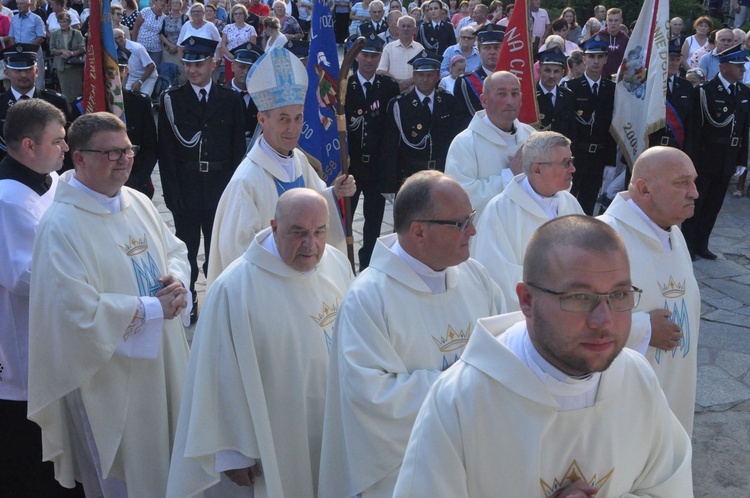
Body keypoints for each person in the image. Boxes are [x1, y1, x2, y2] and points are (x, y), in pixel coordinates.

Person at [392, 215, 693, 498]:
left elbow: (669, 487)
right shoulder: (461, 400)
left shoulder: (637, 378)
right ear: (527, 301)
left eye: (619, 295)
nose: (603, 320)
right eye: (579, 298)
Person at [27, 111, 191, 497]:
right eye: (111, 153)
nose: (124, 159)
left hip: (163, 358)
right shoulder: (61, 225)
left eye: (127, 150)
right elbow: (74, 312)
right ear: (79, 159)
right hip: (107, 378)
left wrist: (179, 280)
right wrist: (153, 309)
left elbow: (175, 250)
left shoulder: (137, 201)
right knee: (126, 476)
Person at [319, 170, 506, 498]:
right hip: (406, 475)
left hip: (474, 463)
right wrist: (467, 385)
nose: (473, 231)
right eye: (460, 223)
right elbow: (370, 399)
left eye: (471, 218)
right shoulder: (369, 298)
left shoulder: (476, 277)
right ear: (419, 232)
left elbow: (504, 353)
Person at [167, 189, 354, 498]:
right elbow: (216, 375)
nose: (312, 245)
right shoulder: (235, 288)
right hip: (277, 433)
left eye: (320, 232)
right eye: (298, 233)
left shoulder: (335, 263)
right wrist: (231, 452)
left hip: (331, 422)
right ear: (274, 226)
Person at [206, 45, 355, 287]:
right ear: (262, 119)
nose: (292, 128)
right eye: (283, 118)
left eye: (298, 118)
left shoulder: (299, 160)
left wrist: (335, 193)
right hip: (269, 287)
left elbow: (317, 207)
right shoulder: (247, 181)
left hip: (305, 281)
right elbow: (237, 252)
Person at [0, 99, 85, 498]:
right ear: (30, 146)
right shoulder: (7, 199)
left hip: (57, 333)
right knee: (28, 453)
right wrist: (89, 271)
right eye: (58, 141)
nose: (66, 149)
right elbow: (25, 276)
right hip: (23, 343)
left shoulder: (51, 181)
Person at [599, 146, 700, 438]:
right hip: (626, 404)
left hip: (674, 385)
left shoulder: (672, 231)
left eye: (693, 182)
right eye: (682, 183)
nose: (694, 192)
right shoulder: (604, 241)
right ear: (644, 189)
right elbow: (572, 319)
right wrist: (641, 329)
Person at [158, 36, 245, 321]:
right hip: (187, 185)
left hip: (220, 185)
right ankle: (189, 298)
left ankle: (219, 300)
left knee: (219, 249)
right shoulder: (172, 99)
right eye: (187, 63)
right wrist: (171, 195)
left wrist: (234, 191)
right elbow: (167, 152)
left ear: (214, 64)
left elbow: (237, 151)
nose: (192, 69)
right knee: (186, 249)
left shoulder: (230, 100)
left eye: (199, 63)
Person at [473, 131, 583, 311]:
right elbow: (497, 278)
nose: (572, 169)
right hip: (529, 317)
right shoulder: (501, 211)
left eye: (571, 160)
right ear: (538, 169)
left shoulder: (570, 203)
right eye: (566, 163)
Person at [683, 44, 750, 261]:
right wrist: (691, 159)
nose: (743, 70)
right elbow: (694, 130)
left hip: (728, 157)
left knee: (714, 204)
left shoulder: (744, 92)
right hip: (705, 156)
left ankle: (702, 243)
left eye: (743, 66)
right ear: (724, 67)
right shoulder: (705, 92)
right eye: (738, 65)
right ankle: (688, 244)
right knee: (698, 202)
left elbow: (743, 129)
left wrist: (742, 159)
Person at [445, 71, 534, 220]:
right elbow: (459, 198)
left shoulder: (531, 136)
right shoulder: (465, 143)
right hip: (485, 235)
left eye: (515, 93)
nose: (510, 101)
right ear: (484, 100)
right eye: (501, 94)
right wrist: (509, 177)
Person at [345, 33, 400, 270]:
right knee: (345, 217)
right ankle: (344, 263)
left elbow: (390, 130)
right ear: (356, 56)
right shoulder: (344, 86)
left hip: (376, 165)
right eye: (365, 55)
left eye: (374, 56)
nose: (369, 60)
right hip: (351, 164)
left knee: (374, 219)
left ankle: (368, 264)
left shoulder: (388, 86)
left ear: (380, 58)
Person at [380, 51, 461, 194]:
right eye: (420, 75)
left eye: (429, 75)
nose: (425, 79)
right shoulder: (400, 105)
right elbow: (390, 146)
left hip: (441, 173)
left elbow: (455, 139)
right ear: (414, 76)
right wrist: (389, 184)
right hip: (410, 175)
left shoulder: (448, 102)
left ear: (437, 77)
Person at [564, 35, 616, 215]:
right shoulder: (572, 87)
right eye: (591, 57)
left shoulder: (612, 89)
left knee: (588, 206)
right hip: (576, 155)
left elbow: (612, 128)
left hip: (598, 156)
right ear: (584, 58)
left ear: (606, 59)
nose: (595, 61)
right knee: (567, 203)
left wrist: (610, 162)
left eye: (600, 57)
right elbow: (568, 126)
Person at [0, 44, 70, 162]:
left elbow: (66, 142)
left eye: (28, 69)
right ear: (6, 73)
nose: (23, 75)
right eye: (17, 70)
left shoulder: (56, 102)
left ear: (36, 71)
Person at [452, 23, 502, 127]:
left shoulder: (515, 79)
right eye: (487, 48)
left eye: (497, 47)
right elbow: (460, 120)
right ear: (479, 51)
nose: (492, 52)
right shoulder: (464, 83)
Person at [648, 44, 693, 152]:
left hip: (677, 147)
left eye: (677, 60)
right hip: (652, 147)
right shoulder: (649, 84)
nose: (674, 64)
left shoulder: (686, 86)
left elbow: (690, 122)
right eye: (671, 59)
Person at [535, 46, 576, 141]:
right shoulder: (531, 96)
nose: (551, 76)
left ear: (562, 74)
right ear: (539, 71)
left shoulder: (568, 96)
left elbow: (572, 130)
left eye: (556, 71)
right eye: (547, 70)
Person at [225, 44, 261, 147]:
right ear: (233, 67)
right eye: (242, 67)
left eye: (250, 68)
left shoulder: (262, 97)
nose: (245, 72)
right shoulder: (221, 95)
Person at [377, 14, 423, 93]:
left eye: (409, 26)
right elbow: (381, 71)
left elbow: (423, 73)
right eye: (403, 26)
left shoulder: (420, 49)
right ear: (397, 29)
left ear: (414, 30)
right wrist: (397, 84)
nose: (405, 29)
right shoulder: (389, 48)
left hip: (414, 93)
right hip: (392, 91)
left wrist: (407, 83)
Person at [8, 0, 46, 89]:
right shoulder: (14, 18)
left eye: (22, 4)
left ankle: (38, 99)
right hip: (18, 53)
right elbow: (11, 36)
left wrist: (27, 49)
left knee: (37, 78)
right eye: (17, 4)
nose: (19, 6)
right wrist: (16, 49)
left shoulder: (36, 18)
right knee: (19, 77)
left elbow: (40, 37)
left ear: (29, 4)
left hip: (34, 53)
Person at [49, 11, 85, 103]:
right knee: (65, 91)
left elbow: (82, 48)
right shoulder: (54, 34)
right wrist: (61, 51)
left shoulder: (76, 33)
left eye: (64, 21)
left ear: (69, 22)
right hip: (61, 67)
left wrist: (71, 53)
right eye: (60, 22)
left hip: (75, 66)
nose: (62, 24)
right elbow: (52, 49)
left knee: (77, 90)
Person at [114, 28, 158, 97]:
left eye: (120, 37)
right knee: (126, 97)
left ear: (125, 36)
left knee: (143, 98)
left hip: (148, 76)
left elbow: (151, 66)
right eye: (115, 39)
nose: (118, 40)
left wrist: (140, 82)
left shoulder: (137, 48)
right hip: (133, 77)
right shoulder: (115, 49)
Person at [219, 4, 257, 84]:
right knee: (230, 82)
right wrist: (231, 56)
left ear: (244, 15)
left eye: (240, 13)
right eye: (236, 14)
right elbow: (223, 45)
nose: (238, 15)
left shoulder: (251, 29)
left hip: (244, 61)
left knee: (243, 82)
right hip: (230, 59)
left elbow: (252, 46)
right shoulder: (227, 28)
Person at [132, 0, 166, 66]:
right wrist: (134, 44)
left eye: (164, 2)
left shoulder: (164, 17)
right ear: (155, 1)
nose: (162, 3)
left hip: (156, 50)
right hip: (141, 47)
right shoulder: (145, 11)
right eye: (161, 0)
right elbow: (136, 27)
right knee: (140, 69)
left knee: (154, 71)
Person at [160, 0, 187, 69]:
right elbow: (162, 34)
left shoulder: (185, 18)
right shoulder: (166, 19)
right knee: (167, 72)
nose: (175, 4)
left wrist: (177, 47)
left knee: (180, 74)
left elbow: (187, 34)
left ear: (180, 5)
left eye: (177, 3)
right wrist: (171, 45)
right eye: (173, 3)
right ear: (170, 5)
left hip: (180, 51)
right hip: (168, 51)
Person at [601, 8, 628, 77]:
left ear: (621, 21)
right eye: (610, 20)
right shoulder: (599, 37)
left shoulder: (625, 39)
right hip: (601, 78)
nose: (613, 23)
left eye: (616, 20)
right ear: (606, 21)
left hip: (620, 78)